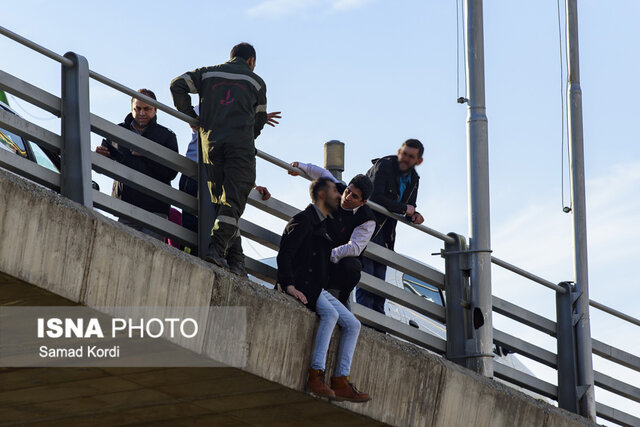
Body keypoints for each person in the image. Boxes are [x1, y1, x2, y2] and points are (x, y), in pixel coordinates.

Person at [170, 42, 280, 276]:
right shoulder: (256, 81)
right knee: (233, 202)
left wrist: (192, 117)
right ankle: (217, 251)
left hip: (211, 145)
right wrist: (247, 137)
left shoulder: (208, 73)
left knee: (223, 203)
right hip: (240, 148)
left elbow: (177, 85)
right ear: (251, 61)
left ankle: (236, 260)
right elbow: (259, 121)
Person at [277, 177, 371, 402]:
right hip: (303, 285)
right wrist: (288, 285)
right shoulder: (304, 220)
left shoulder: (322, 223)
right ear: (321, 196)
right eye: (335, 192)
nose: (341, 196)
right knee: (331, 314)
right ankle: (316, 374)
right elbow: (285, 255)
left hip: (316, 287)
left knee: (353, 324)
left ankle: (340, 381)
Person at [177, 104, 271, 258]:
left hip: (220, 178)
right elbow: (198, 125)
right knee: (191, 229)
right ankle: (190, 259)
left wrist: (253, 186)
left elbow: (237, 157)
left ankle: (225, 259)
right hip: (195, 174)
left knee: (222, 223)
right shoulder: (204, 104)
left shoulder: (239, 113)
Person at [288, 162, 375, 307]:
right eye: (348, 191)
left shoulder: (367, 219)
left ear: (363, 202)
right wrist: (300, 167)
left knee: (353, 266)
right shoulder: (337, 189)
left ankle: (342, 300)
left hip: (337, 263)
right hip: (317, 253)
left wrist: (328, 255)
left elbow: (354, 248)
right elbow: (323, 174)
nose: (347, 197)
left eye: (354, 196)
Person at [96, 89, 178, 241]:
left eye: (147, 109)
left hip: (155, 210)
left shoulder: (167, 136)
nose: (142, 113)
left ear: (155, 109)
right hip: (125, 207)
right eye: (137, 108)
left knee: (151, 258)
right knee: (121, 254)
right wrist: (100, 157)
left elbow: (171, 172)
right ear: (132, 108)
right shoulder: (116, 131)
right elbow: (102, 167)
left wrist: (147, 155)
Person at [356, 139, 425, 315]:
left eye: (411, 157)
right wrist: (404, 209)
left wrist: (414, 216)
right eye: (404, 153)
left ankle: (378, 328)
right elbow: (374, 197)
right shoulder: (385, 165)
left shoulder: (414, 179)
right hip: (368, 227)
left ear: (418, 161)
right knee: (367, 282)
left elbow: (410, 206)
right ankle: (366, 325)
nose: (405, 158)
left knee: (380, 287)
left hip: (386, 234)